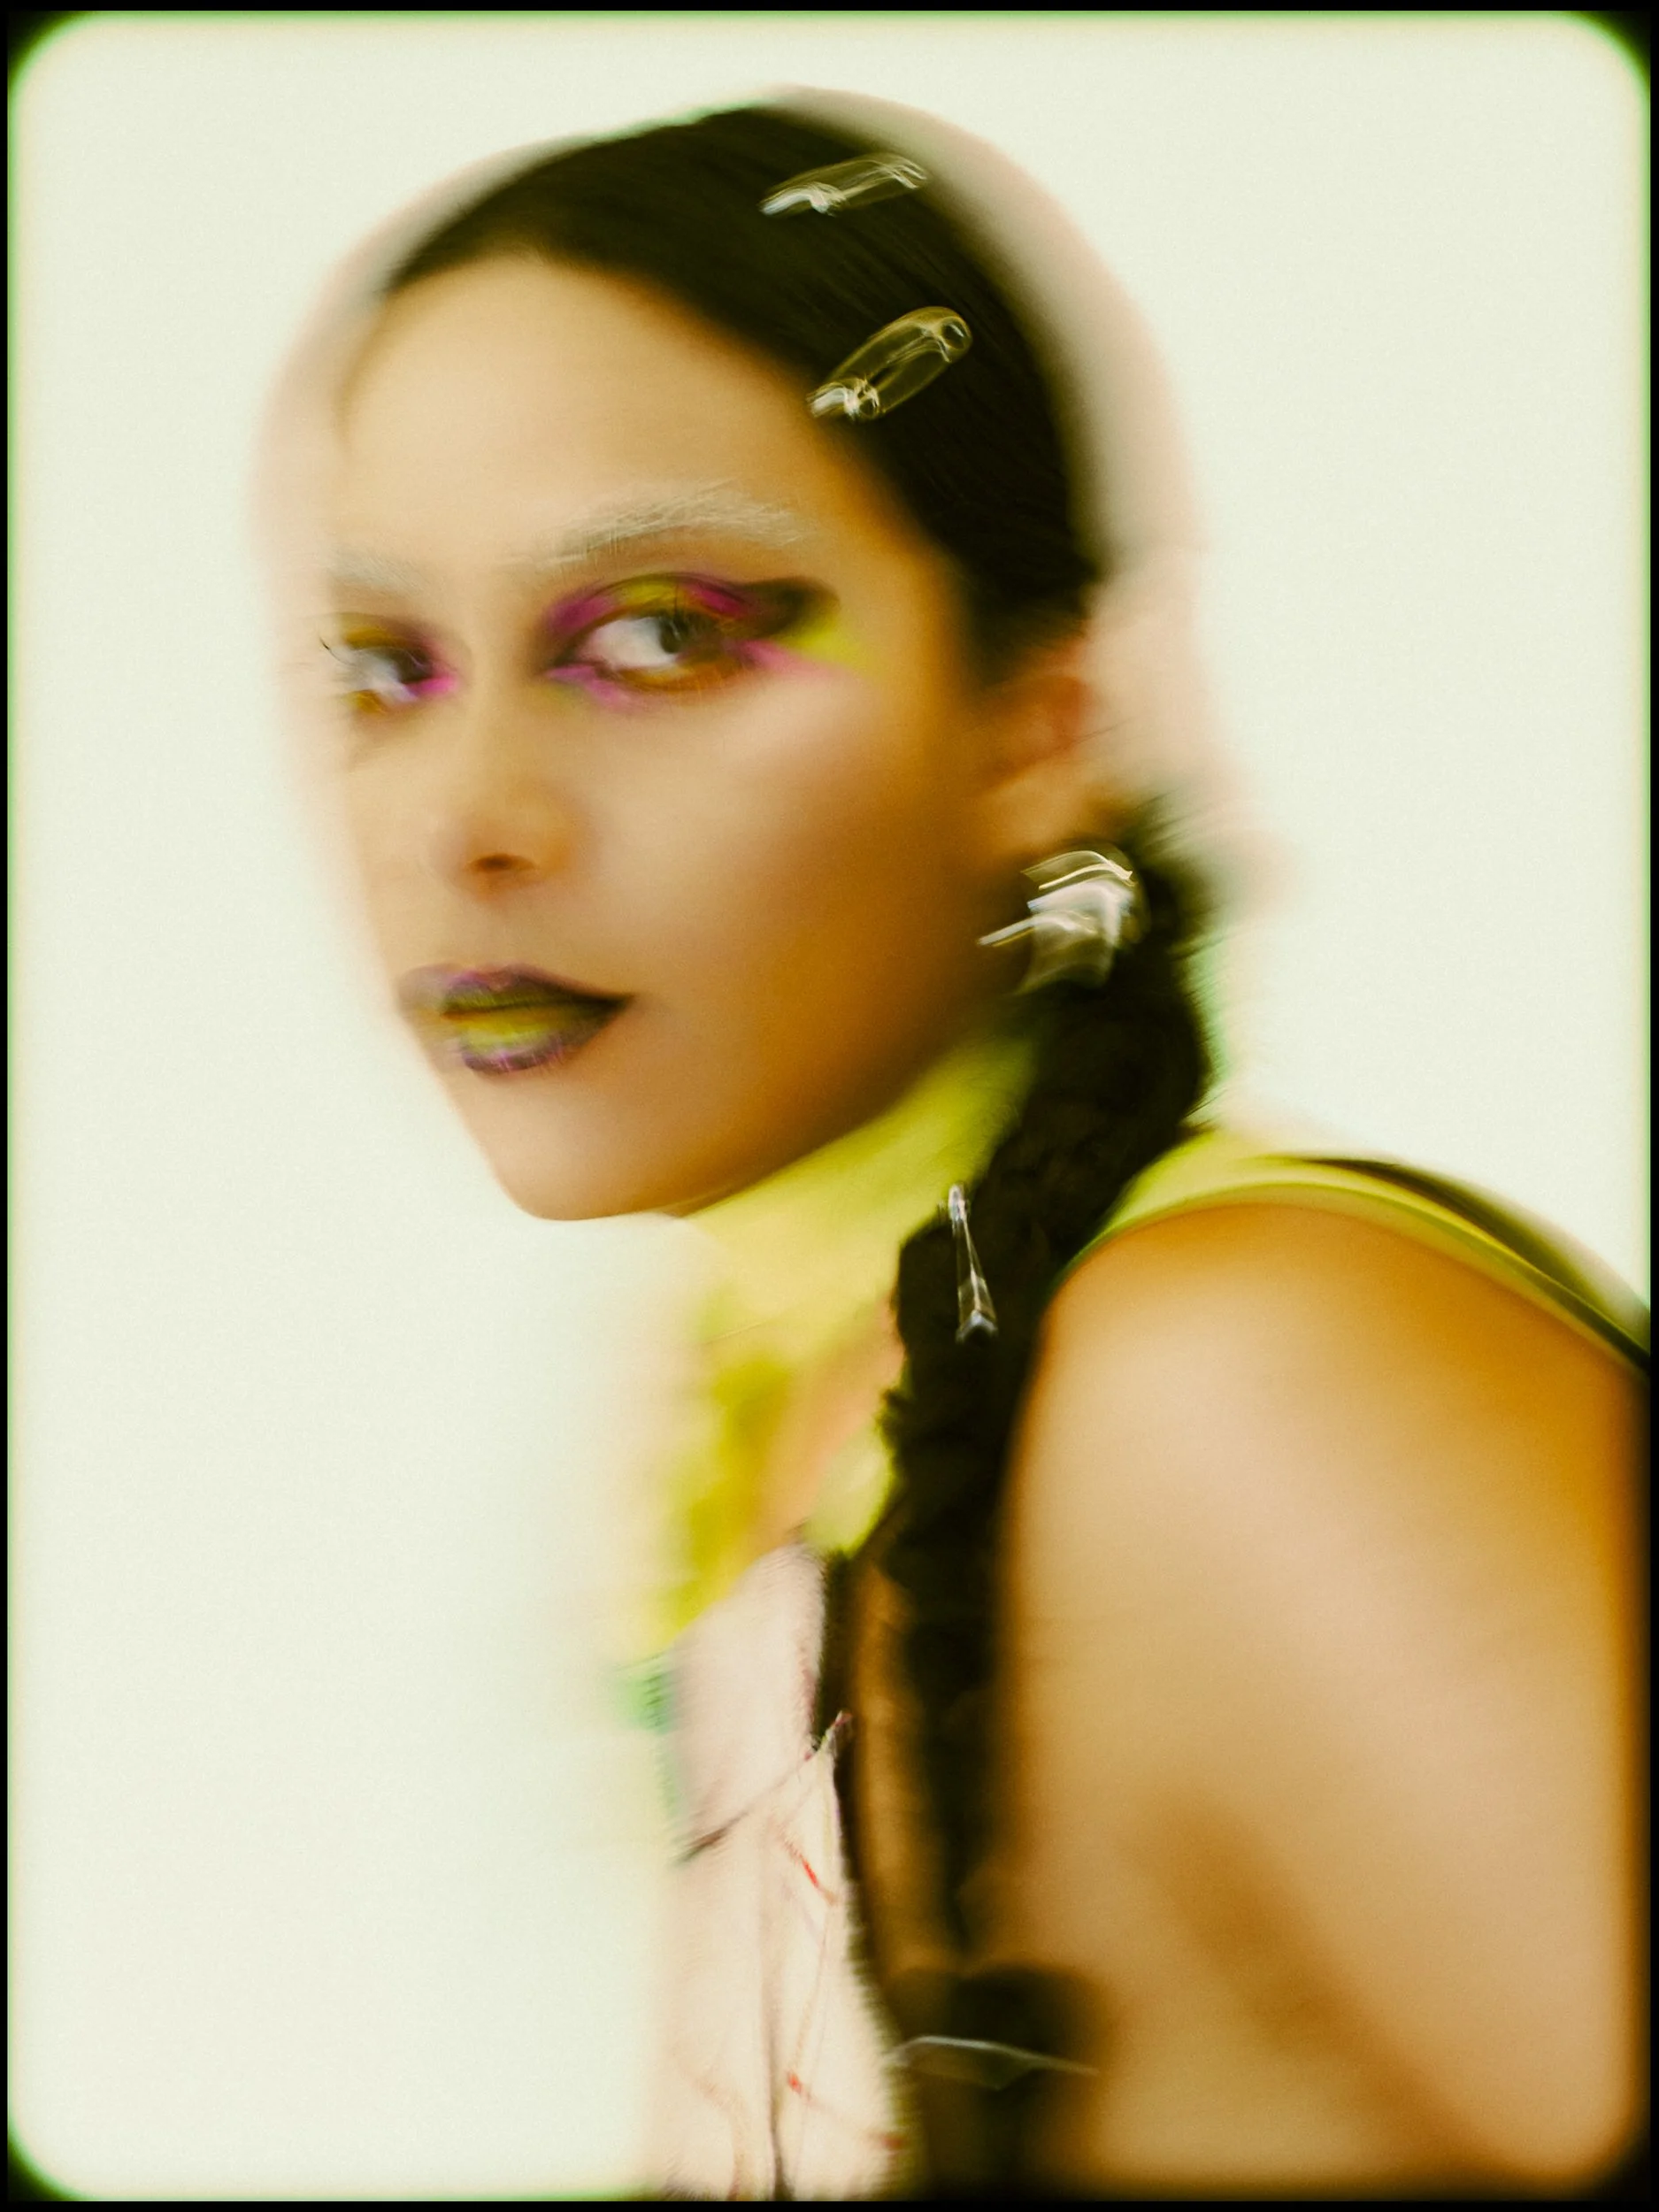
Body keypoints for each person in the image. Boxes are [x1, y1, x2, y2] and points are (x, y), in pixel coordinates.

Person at [257, 94, 1646, 2200]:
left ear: (1043, 715)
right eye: (384, 666)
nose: (467, 816)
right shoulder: (760, 1423)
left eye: (658, 636)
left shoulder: (1241, 1381)